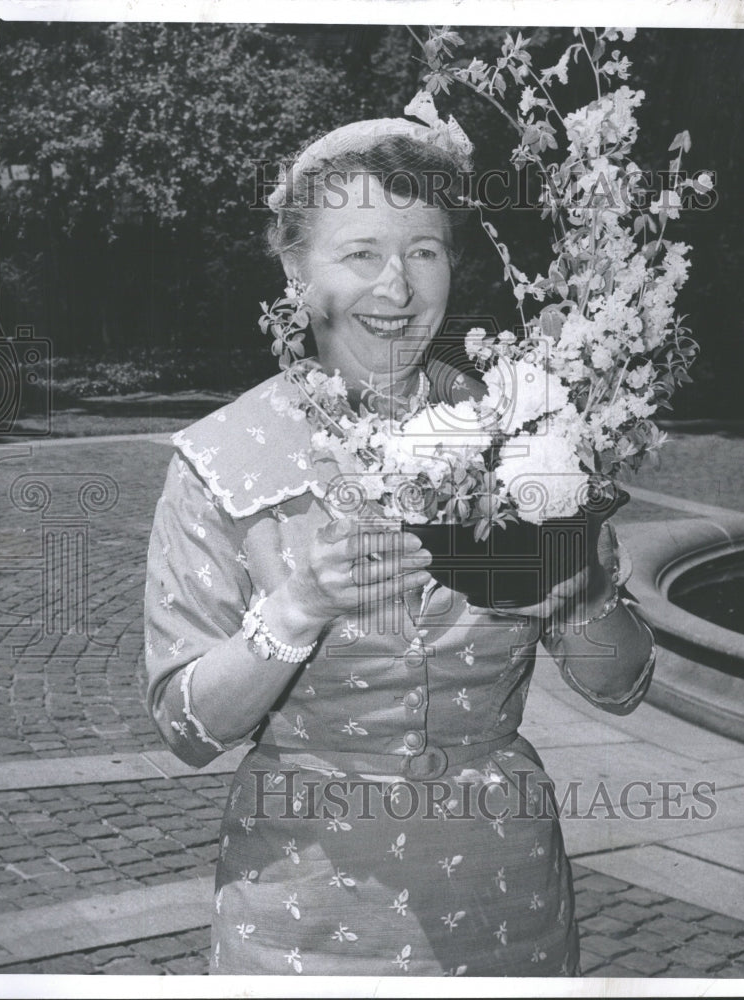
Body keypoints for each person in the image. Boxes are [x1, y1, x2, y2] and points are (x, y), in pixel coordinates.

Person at [143, 110, 656, 977]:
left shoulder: (525, 429)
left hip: (507, 907)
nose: (399, 286)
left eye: (423, 250)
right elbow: (186, 727)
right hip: (299, 919)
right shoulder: (222, 461)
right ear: (296, 273)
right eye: (360, 254)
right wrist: (299, 608)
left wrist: (582, 592)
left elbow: (624, 685)